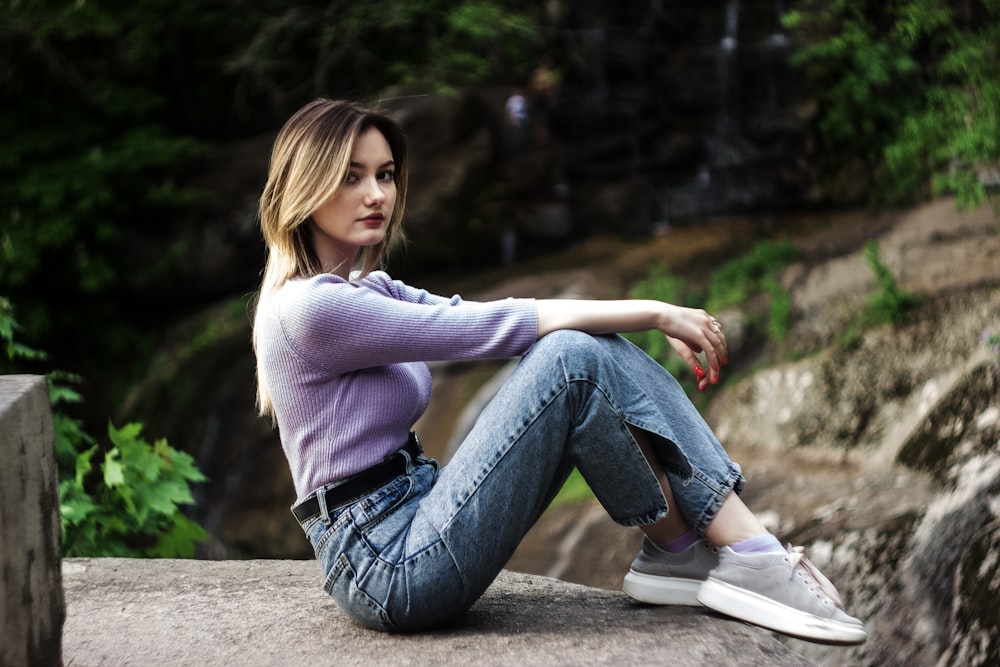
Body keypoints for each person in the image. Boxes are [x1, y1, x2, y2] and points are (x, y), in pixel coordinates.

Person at [251, 98, 867, 644]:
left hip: (422, 509)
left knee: (580, 355)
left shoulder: (369, 289)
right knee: (570, 358)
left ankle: (682, 551)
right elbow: (498, 330)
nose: (377, 194)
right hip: (388, 564)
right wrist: (657, 311)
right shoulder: (311, 309)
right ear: (307, 184)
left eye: (385, 175)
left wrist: (642, 317)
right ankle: (750, 551)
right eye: (352, 176)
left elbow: (479, 312)